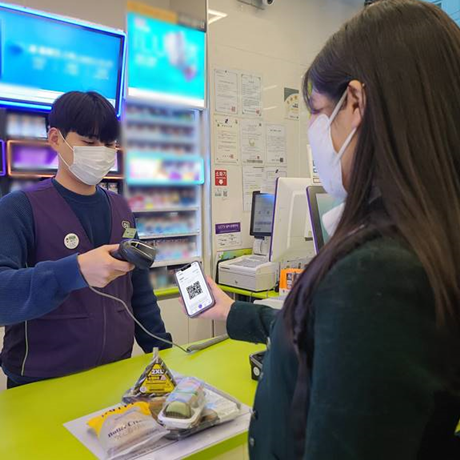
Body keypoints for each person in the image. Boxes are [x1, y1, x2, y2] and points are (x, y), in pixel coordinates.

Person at [196, 1, 460, 458]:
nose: (313, 131)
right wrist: (234, 313)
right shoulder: (430, 238)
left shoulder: (376, 272)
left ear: (355, 103)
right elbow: (338, 339)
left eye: (317, 111)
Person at [0, 91, 171, 389]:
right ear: (55, 139)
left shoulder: (122, 209)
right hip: (41, 380)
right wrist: (73, 271)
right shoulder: (19, 208)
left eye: (109, 144)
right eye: (90, 143)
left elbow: (139, 289)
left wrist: (162, 352)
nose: (101, 152)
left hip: (116, 372)